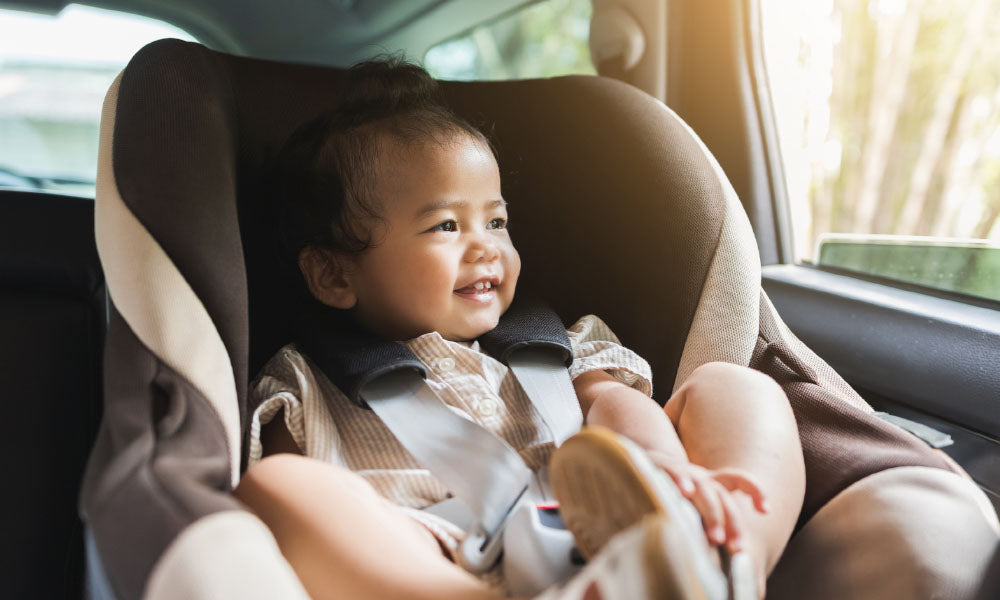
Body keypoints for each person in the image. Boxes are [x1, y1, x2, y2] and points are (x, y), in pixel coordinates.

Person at [234, 56, 806, 600]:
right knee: (277, 486)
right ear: (334, 274)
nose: (486, 245)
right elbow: (315, 504)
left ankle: (729, 558)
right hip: (447, 556)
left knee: (734, 386)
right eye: (447, 224)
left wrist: (666, 474)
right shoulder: (304, 381)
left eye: (497, 220)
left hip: (615, 518)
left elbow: (611, 402)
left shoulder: (553, 342)